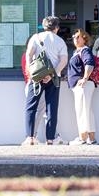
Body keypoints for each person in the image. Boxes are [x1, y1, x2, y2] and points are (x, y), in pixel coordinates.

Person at [21, 15, 69, 145]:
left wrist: (31, 72)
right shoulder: (60, 41)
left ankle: (30, 137)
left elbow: (29, 56)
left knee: (31, 107)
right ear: (57, 28)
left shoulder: (35, 38)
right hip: (53, 79)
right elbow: (63, 60)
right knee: (51, 107)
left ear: (43, 26)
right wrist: (53, 74)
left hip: (36, 77)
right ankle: (50, 139)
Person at [66, 29, 99, 145]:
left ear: (84, 39)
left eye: (78, 37)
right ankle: (91, 138)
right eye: (74, 37)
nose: (75, 39)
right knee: (86, 110)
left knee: (82, 110)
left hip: (83, 85)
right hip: (83, 85)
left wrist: (85, 78)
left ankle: (82, 137)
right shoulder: (77, 52)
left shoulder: (85, 50)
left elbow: (89, 64)